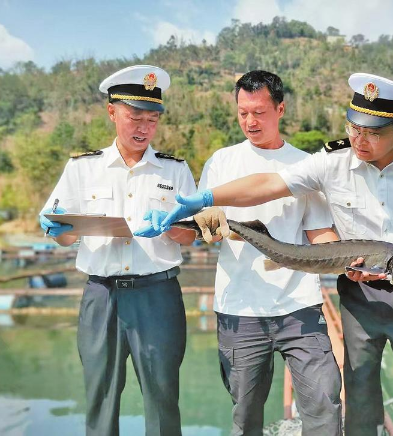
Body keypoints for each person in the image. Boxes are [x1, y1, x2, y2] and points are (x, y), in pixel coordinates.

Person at [159, 73, 393, 436]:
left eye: (373, 133)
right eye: (354, 129)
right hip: (354, 295)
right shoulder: (331, 161)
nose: (360, 140)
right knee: (358, 389)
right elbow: (270, 183)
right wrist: (206, 199)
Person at [140, 70, 343, 435]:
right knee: (246, 414)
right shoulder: (222, 162)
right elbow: (206, 226)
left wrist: (351, 259)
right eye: (243, 112)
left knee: (324, 404)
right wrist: (181, 226)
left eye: (259, 112)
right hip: (240, 308)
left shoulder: (305, 166)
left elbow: (320, 234)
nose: (250, 121)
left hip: (299, 304)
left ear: (280, 109)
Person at [39, 65, 196, 436]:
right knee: (100, 397)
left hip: (158, 295)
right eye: (134, 117)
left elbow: (190, 236)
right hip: (102, 296)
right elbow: (63, 234)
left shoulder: (175, 171)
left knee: (162, 398)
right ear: (112, 112)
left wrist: (170, 226)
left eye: (152, 120)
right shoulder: (82, 168)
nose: (143, 127)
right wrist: (58, 229)